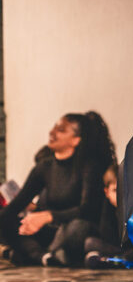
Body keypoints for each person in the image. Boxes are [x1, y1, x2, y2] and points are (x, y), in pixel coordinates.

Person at [0, 112, 115, 266]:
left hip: (74, 230)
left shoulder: (89, 166)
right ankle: (43, 256)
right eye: (54, 128)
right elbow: (16, 205)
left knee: (77, 227)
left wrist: (49, 216)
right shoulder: (44, 167)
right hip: (49, 232)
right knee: (6, 220)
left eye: (61, 130)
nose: (52, 133)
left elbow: (88, 210)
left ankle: (39, 254)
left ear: (75, 140)